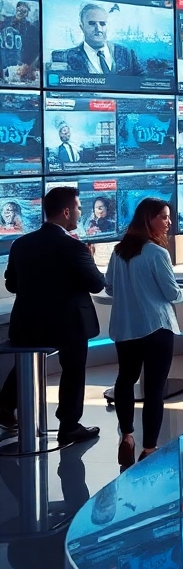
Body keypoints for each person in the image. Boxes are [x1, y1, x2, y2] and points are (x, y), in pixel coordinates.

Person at [0, 187, 105, 443]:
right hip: (67, 326)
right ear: (67, 211)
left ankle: (4, 407)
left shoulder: (21, 244)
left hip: (27, 325)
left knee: (26, 361)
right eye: (79, 208)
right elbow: (96, 284)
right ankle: (69, 425)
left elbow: (11, 285)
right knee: (73, 368)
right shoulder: (74, 247)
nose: (80, 213)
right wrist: (89, 259)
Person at [106, 198, 183, 469]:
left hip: (125, 328)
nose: (169, 222)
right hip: (157, 328)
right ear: (150, 220)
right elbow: (171, 294)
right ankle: (149, 448)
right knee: (155, 390)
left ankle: (128, 436)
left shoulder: (118, 251)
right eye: (164, 217)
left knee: (125, 380)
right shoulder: (157, 253)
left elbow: (109, 287)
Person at [52, 4, 144, 76]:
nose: (98, 29)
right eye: (92, 23)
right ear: (82, 27)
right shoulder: (65, 57)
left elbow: (144, 82)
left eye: (102, 24)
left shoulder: (127, 54)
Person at [2, 0, 40, 85]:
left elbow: (36, 47)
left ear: (27, 13)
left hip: (21, 65)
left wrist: (27, 64)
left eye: (23, 11)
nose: (20, 13)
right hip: (5, 61)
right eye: (18, 10)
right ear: (16, 10)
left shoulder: (31, 28)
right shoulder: (6, 21)